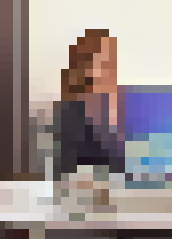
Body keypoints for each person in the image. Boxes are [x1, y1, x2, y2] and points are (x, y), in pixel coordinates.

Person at [52, 30, 124, 179]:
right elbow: (69, 173)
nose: (111, 71)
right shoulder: (70, 114)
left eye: (112, 62)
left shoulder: (112, 108)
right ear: (85, 67)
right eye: (104, 63)